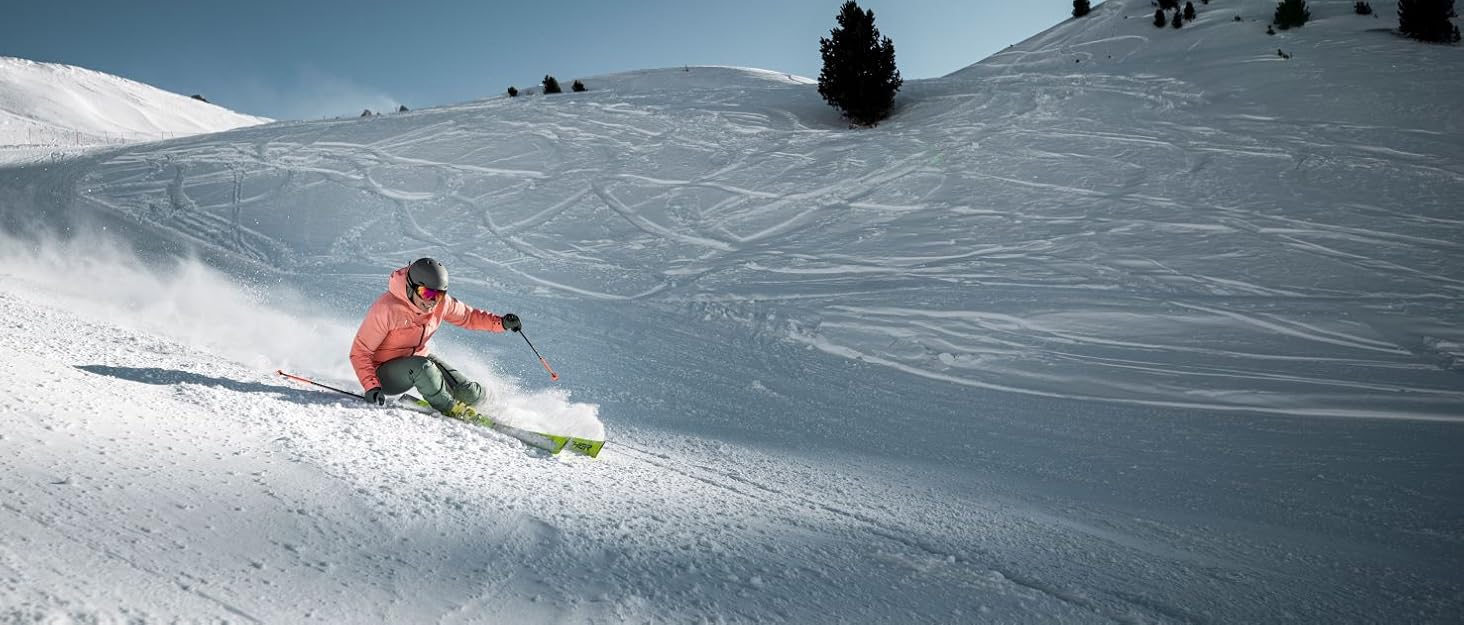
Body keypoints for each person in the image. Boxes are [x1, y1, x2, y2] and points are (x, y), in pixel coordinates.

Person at [349, 257, 523, 418]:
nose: (431, 301)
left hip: (418, 360)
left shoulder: (442, 304)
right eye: (426, 294)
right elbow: (360, 352)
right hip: (385, 375)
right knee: (422, 366)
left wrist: (500, 323)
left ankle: (492, 401)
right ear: (411, 287)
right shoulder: (387, 309)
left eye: (438, 295)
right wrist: (372, 386)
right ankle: (451, 409)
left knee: (467, 393)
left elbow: (469, 316)